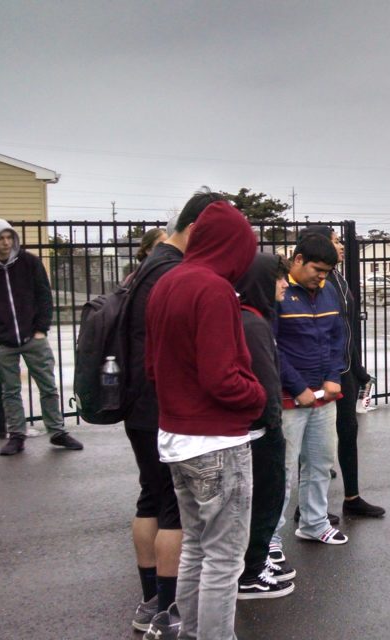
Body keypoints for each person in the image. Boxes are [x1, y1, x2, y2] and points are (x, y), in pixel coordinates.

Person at [145, 199, 265, 640]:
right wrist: (257, 396)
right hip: (217, 442)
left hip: (176, 438)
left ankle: (192, 632)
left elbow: (153, 368)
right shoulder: (212, 289)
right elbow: (222, 379)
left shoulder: (168, 282)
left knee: (196, 545)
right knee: (225, 559)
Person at [122, 191, 222, 636]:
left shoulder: (147, 265)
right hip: (161, 404)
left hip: (136, 401)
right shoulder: (172, 271)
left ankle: (149, 601)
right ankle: (167, 607)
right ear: (197, 229)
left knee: (150, 497)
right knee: (172, 511)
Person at [0, 219, 83, 456]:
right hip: (2, 344)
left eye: (9, 237)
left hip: (34, 338)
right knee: (10, 391)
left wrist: (41, 329)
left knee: (48, 386)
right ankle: (17, 436)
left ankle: (57, 432)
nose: (6, 242)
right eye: (0, 238)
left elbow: (44, 295)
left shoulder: (29, 263)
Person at [273, 233, 348, 554]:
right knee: (283, 469)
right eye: (317, 269)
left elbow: (336, 337)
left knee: (320, 462)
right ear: (298, 260)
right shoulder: (278, 291)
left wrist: (333, 376)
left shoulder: (328, 290)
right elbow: (271, 347)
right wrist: (298, 388)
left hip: (323, 396)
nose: (322, 277)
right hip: (290, 400)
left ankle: (314, 524)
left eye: (328, 271)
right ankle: (270, 538)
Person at [301, 225, 383, 518]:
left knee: (348, 432)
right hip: (322, 374)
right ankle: (305, 508)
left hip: (343, 368)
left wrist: (356, 366)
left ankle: (352, 498)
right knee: (313, 442)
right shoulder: (315, 280)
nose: (340, 246)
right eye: (335, 241)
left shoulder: (336, 275)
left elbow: (346, 327)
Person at [234, 253, 295, 600]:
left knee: (262, 500)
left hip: (256, 428)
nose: (285, 284)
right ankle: (251, 572)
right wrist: (272, 422)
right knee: (265, 498)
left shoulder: (253, 318)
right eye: (278, 278)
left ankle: (253, 566)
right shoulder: (252, 324)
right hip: (261, 431)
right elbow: (265, 382)